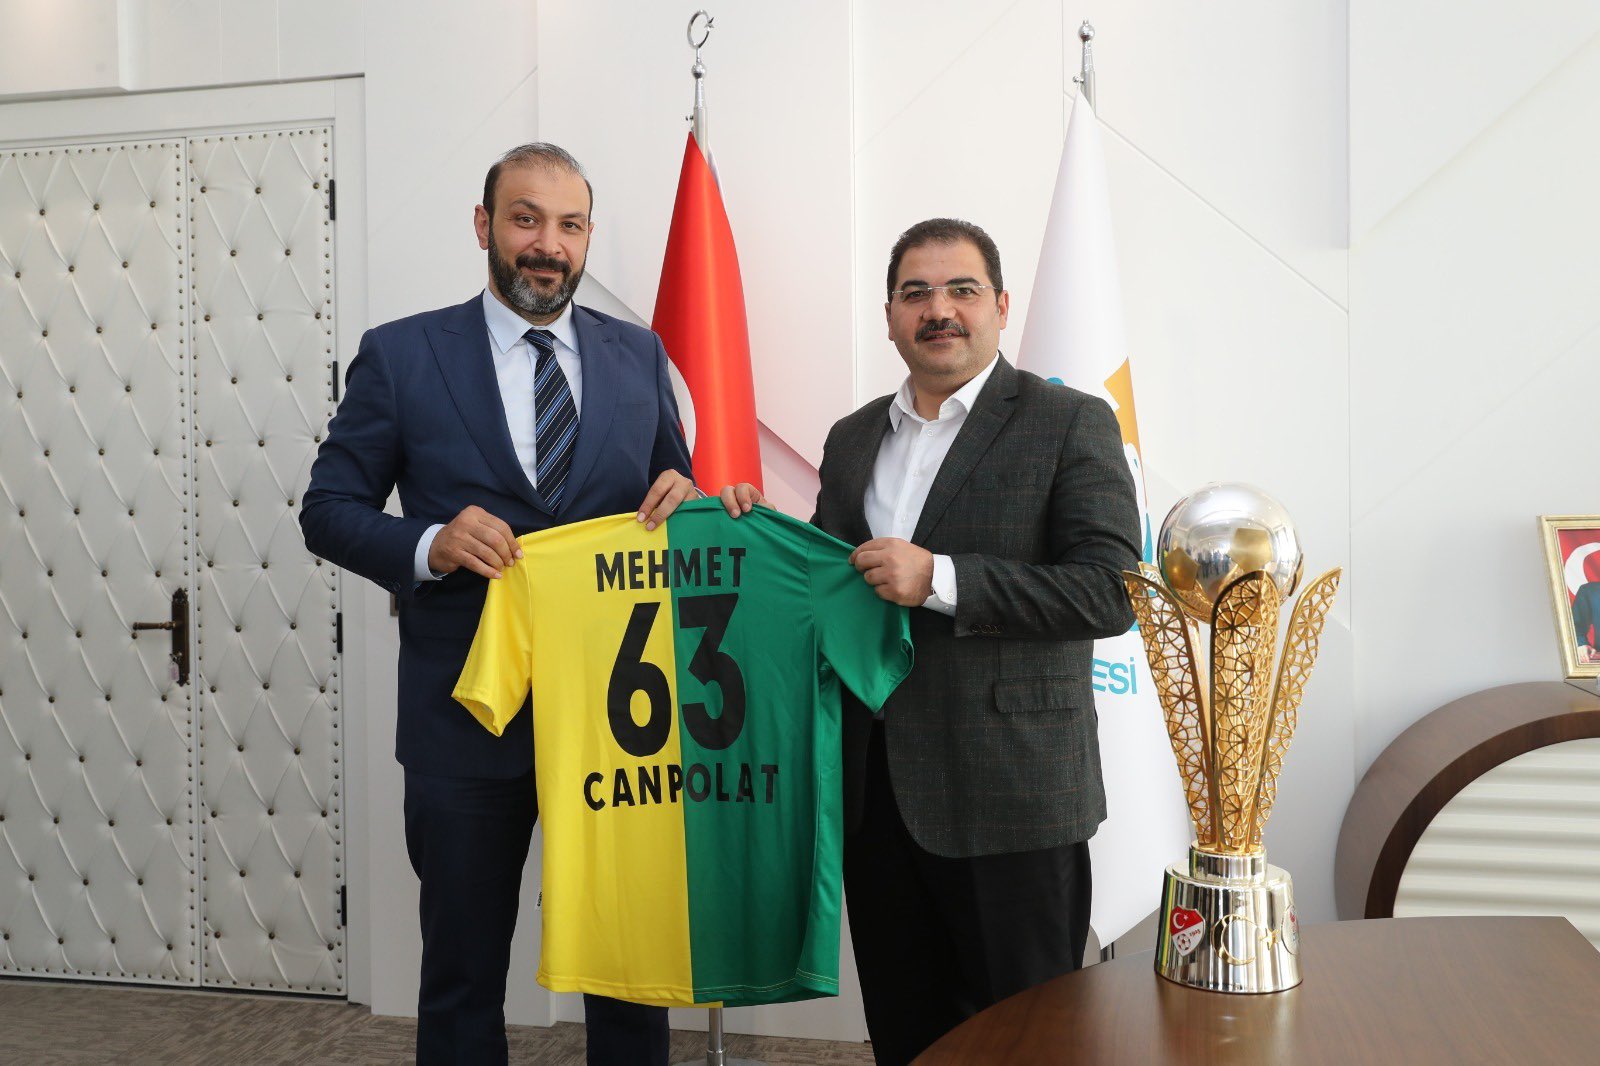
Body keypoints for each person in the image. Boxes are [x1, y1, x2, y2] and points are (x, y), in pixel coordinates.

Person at [301, 143, 705, 1066]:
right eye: (526, 219)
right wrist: (427, 545)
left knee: (627, 971)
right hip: (463, 718)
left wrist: (687, 496)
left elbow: (671, 489)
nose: (547, 245)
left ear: (588, 238)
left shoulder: (640, 354)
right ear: (485, 226)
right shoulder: (402, 354)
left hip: (619, 717)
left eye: (570, 225)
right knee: (463, 972)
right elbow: (328, 510)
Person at [808, 218, 1141, 1064]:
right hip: (878, 798)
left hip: (1013, 799)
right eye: (916, 292)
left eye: (962, 289)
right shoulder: (852, 439)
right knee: (908, 1038)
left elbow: (1111, 590)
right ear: (890, 315)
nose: (939, 310)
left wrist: (941, 579)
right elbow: (823, 586)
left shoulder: (1070, 421)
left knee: (1027, 1046)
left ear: (1000, 306)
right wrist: (734, 520)